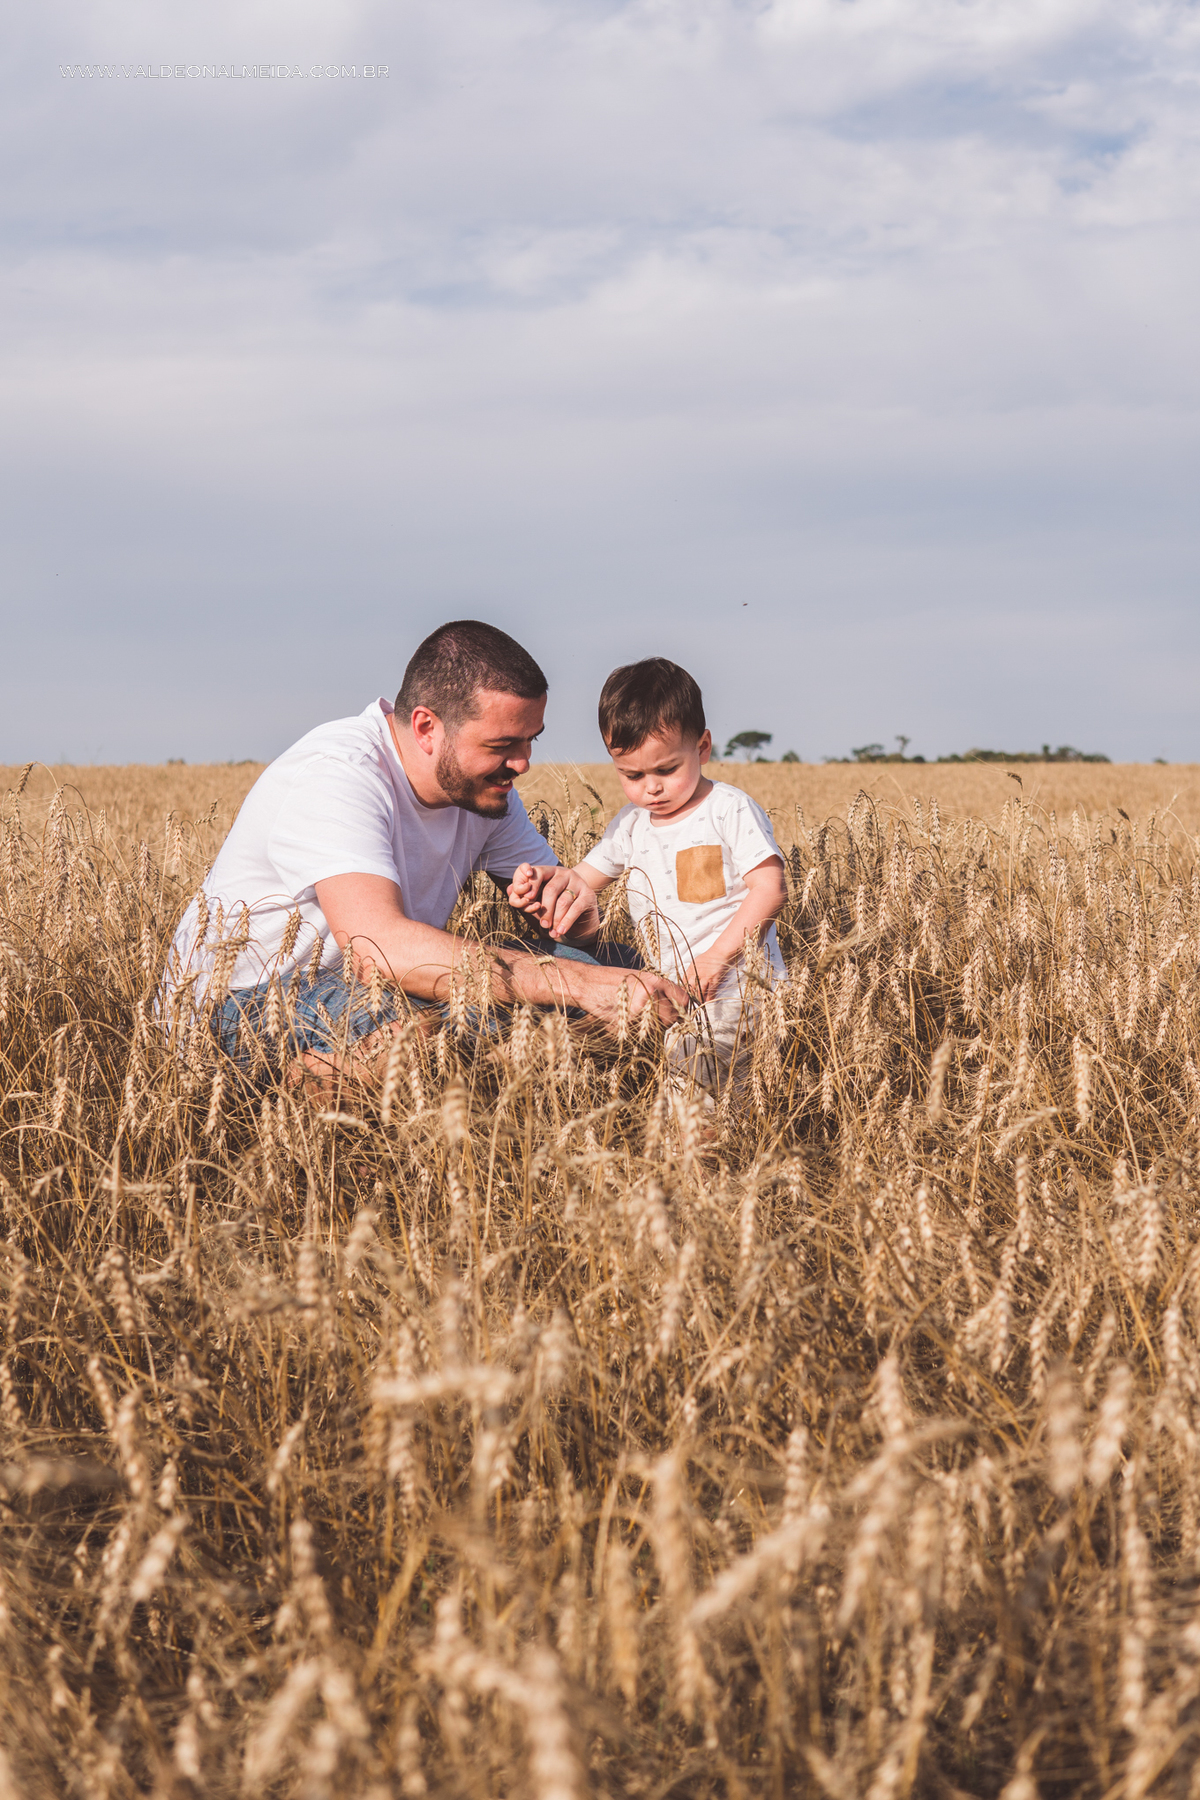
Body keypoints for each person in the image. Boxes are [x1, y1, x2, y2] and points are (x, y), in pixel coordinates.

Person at [162, 622, 688, 1082]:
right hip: (244, 1005)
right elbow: (378, 949)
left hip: (380, 989)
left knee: (638, 977)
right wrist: (577, 986)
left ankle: (390, 1071)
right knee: (466, 1027)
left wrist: (577, 923)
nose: (524, 763)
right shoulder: (337, 774)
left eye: (531, 740)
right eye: (504, 745)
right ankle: (305, 1085)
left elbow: (560, 928)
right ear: (426, 727)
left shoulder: (485, 791)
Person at [507, 657, 789, 1092]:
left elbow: (770, 889)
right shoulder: (631, 824)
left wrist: (717, 959)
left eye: (666, 770)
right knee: (714, 1100)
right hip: (678, 993)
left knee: (691, 1097)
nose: (651, 788)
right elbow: (581, 881)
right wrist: (545, 882)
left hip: (741, 991)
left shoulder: (727, 809)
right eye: (632, 775)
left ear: (702, 747)